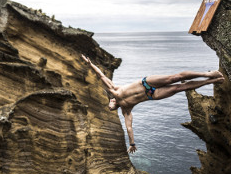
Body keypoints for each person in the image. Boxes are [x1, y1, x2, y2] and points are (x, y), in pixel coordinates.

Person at [81, 54, 224, 154]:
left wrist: (90, 64)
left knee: (174, 78)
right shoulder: (126, 110)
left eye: (109, 107)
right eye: (110, 109)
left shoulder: (114, 90)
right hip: (151, 95)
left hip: (146, 83)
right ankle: (212, 81)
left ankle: (208, 74)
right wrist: (132, 144)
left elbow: (101, 75)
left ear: (111, 101)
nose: (110, 109)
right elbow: (129, 128)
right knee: (180, 87)